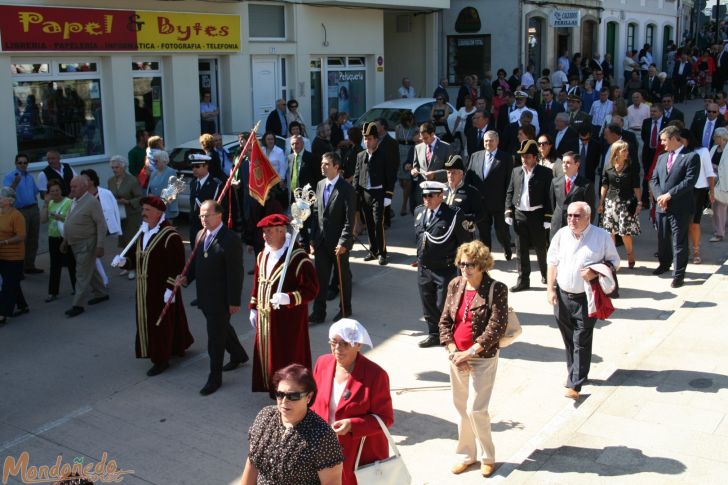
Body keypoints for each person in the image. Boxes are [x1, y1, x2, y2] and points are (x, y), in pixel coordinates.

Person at [439, 240, 507, 477]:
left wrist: (470, 353)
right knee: (461, 409)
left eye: (470, 265)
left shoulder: (496, 288)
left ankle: (488, 456)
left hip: (482, 356)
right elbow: (445, 321)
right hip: (456, 355)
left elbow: (496, 327)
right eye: (461, 264)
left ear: (482, 265)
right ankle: (466, 455)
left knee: (476, 409)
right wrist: (452, 351)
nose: (464, 269)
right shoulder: (455, 284)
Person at [112, 196, 194, 377]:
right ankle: (172, 346)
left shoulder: (170, 236)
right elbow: (136, 259)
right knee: (152, 321)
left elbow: (177, 265)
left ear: (159, 213)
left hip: (161, 289)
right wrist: (124, 262)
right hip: (144, 289)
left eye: (147, 210)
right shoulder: (143, 233)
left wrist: (170, 288)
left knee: (160, 324)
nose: (143, 213)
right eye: (143, 210)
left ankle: (161, 359)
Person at [547, 201, 619, 400]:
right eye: (569, 215)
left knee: (581, 338)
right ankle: (577, 373)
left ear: (588, 217)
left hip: (586, 297)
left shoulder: (601, 236)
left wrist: (595, 272)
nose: (572, 220)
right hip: (562, 296)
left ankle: (575, 384)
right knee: (569, 339)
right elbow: (552, 262)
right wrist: (550, 289)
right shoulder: (561, 235)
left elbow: (615, 262)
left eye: (577, 216)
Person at [311, 320, 394, 485]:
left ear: (358, 345)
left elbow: (386, 418)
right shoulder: (323, 363)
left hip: (359, 454)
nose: (337, 348)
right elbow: (312, 403)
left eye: (344, 344)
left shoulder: (376, 375)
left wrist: (352, 425)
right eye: (333, 342)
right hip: (323, 448)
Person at [178, 200, 248, 395]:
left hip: (221, 298)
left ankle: (214, 377)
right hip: (205, 295)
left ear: (219, 215)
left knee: (215, 339)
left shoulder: (230, 239)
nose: (203, 219)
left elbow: (236, 273)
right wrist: (185, 278)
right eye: (201, 215)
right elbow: (195, 263)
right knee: (222, 328)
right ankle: (238, 354)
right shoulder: (201, 235)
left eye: (207, 214)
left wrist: (234, 301)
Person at [240, 364, 344, 485]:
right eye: (280, 394)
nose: (284, 401)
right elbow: (252, 463)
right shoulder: (265, 416)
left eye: (293, 396)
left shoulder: (323, 436)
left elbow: (332, 483)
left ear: (309, 397)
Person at [249, 214, 319, 392]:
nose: (265, 236)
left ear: (282, 231)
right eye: (264, 232)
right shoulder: (262, 255)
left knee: (287, 357)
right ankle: (271, 387)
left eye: (269, 232)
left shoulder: (298, 258)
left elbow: (311, 290)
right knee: (268, 355)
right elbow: (258, 283)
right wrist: (254, 308)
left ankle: (290, 392)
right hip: (266, 319)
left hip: (289, 322)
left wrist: (288, 297)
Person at [414, 181, 471, 348]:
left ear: (441, 196)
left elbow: (464, 242)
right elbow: (420, 238)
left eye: (430, 196)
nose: (426, 199)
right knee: (427, 302)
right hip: (424, 267)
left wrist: (464, 265)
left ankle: (449, 333)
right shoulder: (419, 211)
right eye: (424, 196)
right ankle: (434, 334)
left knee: (443, 304)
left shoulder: (453, 214)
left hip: (444, 268)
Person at [650, 126, 700, 288]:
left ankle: (678, 274)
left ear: (673, 139)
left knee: (679, 241)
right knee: (663, 238)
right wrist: (659, 197)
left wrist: (669, 195)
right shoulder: (662, 157)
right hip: (661, 206)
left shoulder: (691, 157)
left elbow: (689, 181)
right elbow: (653, 180)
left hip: (680, 207)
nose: (662, 143)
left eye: (664, 140)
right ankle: (664, 264)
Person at [309, 153, 355, 324]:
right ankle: (318, 313)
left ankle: (345, 309)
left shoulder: (346, 189)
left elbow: (350, 220)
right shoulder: (320, 185)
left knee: (342, 278)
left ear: (337, 166)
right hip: (321, 242)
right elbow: (316, 213)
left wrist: (344, 242)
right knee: (320, 279)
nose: (323, 166)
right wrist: (313, 239)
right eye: (322, 163)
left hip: (338, 244)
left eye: (327, 164)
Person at [505, 139, 553, 292]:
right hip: (520, 214)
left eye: (527, 156)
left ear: (534, 157)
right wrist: (508, 210)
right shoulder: (516, 171)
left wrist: (548, 217)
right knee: (521, 249)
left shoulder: (545, 173)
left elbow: (549, 196)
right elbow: (510, 192)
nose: (524, 159)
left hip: (537, 215)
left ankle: (546, 274)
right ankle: (523, 280)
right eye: (522, 156)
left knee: (540, 247)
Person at [62, 176, 108, 318]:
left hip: (87, 244)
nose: (72, 189)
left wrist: (100, 245)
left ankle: (78, 305)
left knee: (81, 274)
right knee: (90, 269)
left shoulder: (91, 202)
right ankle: (101, 293)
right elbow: (69, 220)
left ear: (84, 187)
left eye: (75, 187)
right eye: (71, 186)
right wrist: (65, 241)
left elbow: (101, 224)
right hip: (75, 243)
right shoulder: (75, 201)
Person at [465, 131, 513, 259]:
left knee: (501, 231)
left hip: (498, 203)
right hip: (480, 203)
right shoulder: (475, 156)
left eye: (491, 140)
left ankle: (507, 247)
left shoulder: (506, 158)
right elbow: (468, 178)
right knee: (483, 232)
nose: (488, 143)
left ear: (497, 142)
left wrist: (508, 203)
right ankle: (486, 257)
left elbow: (509, 182)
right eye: (486, 140)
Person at [354, 123, 396, 265]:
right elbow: (357, 176)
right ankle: (373, 250)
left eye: (370, 138)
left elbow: (390, 176)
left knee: (378, 223)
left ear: (376, 139)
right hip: (365, 193)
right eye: (365, 139)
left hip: (379, 193)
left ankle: (382, 252)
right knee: (369, 224)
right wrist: (355, 194)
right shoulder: (360, 155)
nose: (367, 142)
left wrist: (388, 195)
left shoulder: (384, 155)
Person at [679, 129, 715, 265]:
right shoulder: (678, 152)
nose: (679, 143)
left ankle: (696, 251)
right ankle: (684, 250)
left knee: (694, 223)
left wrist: (712, 192)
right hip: (682, 190)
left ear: (687, 139)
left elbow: (709, 172)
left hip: (698, 191)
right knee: (682, 223)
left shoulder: (702, 151)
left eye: (681, 140)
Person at [4, 153, 41, 273]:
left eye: (25, 163)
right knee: (22, 240)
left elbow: (35, 192)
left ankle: (30, 266)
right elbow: (6, 195)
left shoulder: (29, 177)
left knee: (33, 238)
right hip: (20, 211)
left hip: (33, 209)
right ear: (16, 163)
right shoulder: (10, 176)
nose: (23, 165)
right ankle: (19, 269)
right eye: (20, 163)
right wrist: (15, 183)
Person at [107, 155, 143, 276]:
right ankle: (127, 265)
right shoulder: (110, 181)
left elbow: (140, 197)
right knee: (123, 241)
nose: (114, 170)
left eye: (116, 167)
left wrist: (127, 202)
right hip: (119, 215)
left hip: (132, 214)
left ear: (123, 167)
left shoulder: (132, 180)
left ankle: (134, 268)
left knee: (131, 241)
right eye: (112, 167)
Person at [40, 179, 75, 302]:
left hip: (67, 236)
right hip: (53, 237)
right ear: (48, 193)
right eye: (52, 191)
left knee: (71, 263)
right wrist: (45, 204)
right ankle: (53, 292)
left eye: (57, 190)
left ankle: (76, 289)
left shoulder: (69, 202)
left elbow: (73, 220)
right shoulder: (49, 204)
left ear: (61, 190)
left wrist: (59, 217)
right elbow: (43, 220)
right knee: (55, 265)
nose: (55, 193)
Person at [550, 152, 595, 239]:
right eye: (563, 162)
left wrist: (586, 228)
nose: (564, 165)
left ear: (577, 164)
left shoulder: (586, 185)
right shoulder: (555, 182)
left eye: (568, 163)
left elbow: (590, 209)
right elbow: (552, 204)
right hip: (557, 226)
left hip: (577, 227)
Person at [0, 187, 28, 325]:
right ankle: (23, 306)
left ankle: (3, 314)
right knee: (12, 283)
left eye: (1, 197)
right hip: (1, 255)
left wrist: (4, 242)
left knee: (7, 285)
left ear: (9, 200)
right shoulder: (0, 213)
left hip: (14, 256)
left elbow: (22, 236)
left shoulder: (17, 215)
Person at [188, 154, 224, 246]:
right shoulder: (193, 183)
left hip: (209, 225)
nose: (194, 169)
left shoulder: (215, 184)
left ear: (206, 166)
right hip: (194, 226)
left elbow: (219, 207)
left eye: (197, 166)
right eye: (192, 166)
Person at [411, 122, 451, 202]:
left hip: (439, 191)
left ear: (432, 134)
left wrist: (434, 175)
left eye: (425, 138)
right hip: (423, 190)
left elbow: (451, 170)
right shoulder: (418, 148)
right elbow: (416, 166)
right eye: (421, 138)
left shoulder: (446, 147)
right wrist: (414, 171)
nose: (423, 141)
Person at [444, 154, 483, 237]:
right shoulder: (441, 189)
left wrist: (462, 218)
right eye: (448, 172)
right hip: (444, 232)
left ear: (461, 174)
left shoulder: (471, 192)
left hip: (462, 233)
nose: (450, 175)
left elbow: (481, 214)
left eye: (453, 173)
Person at [146, 150, 179, 221]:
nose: (154, 163)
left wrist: (156, 198)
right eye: (153, 161)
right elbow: (150, 189)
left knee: (166, 231)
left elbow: (173, 193)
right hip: (155, 208)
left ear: (163, 161)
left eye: (156, 161)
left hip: (166, 209)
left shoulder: (171, 172)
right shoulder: (154, 172)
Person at [395, 111, 417, 215]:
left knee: (407, 180)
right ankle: (408, 193)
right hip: (400, 151)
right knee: (402, 182)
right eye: (409, 121)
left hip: (410, 151)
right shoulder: (398, 128)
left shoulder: (415, 129)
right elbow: (396, 140)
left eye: (412, 120)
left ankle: (404, 205)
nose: (411, 122)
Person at [709, 127, 728, 242]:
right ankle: (719, 231)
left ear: (721, 138)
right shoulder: (714, 148)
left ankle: (720, 233)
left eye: (715, 137)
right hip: (714, 182)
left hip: (725, 181)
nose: (714, 139)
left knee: (721, 207)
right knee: (716, 208)